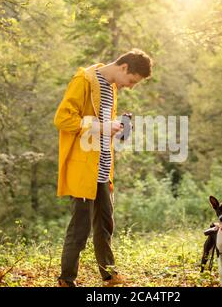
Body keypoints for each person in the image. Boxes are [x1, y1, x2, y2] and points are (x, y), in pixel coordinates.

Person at [53, 49, 153, 287]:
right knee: (80, 228)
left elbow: (101, 128)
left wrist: (117, 128)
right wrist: (102, 126)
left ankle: (109, 275)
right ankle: (66, 279)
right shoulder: (85, 80)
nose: (130, 86)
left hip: (103, 168)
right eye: (132, 81)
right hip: (84, 169)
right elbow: (62, 119)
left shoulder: (112, 87)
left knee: (105, 224)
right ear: (125, 68)